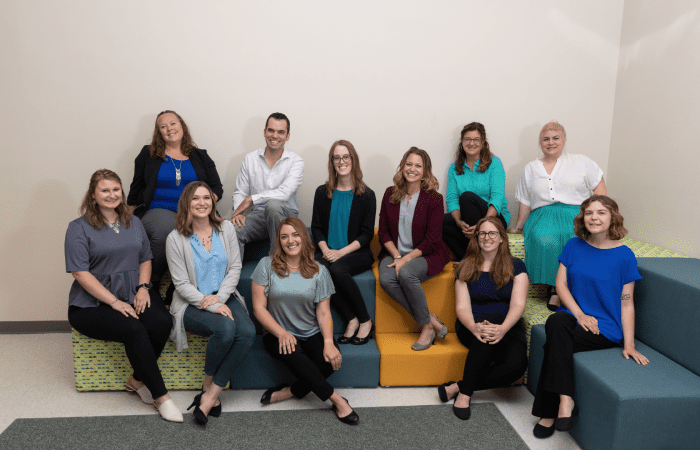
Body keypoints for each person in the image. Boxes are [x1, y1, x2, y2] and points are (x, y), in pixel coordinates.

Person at [65, 169, 182, 422]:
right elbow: (80, 273)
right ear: (93, 195)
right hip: (91, 304)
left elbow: (146, 258)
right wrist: (115, 302)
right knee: (135, 329)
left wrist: (142, 288)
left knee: (162, 322)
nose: (111, 195)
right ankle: (161, 397)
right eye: (104, 190)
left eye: (115, 189)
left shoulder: (134, 221)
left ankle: (136, 381)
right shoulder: (78, 228)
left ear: (122, 192)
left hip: (133, 292)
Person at [531, 195, 649, 439]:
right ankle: (566, 399)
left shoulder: (625, 255)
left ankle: (548, 413)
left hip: (604, 329)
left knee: (555, 338)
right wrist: (580, 314)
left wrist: (629, 344)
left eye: (601, 212)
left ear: (612, 217)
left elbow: (627, 303)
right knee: (556, 322)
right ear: (582, 218)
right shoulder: (573, 246)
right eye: (589, 213)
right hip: (575, 318)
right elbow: (560, 286)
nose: (594, 217)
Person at [251, 217, 359, 425]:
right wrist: (281, 333)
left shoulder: (319, 271)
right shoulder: (266, 265)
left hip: (311, 332)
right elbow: (258, 308)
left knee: (330, 361)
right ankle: (337, 400)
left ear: (303, 237)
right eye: (284, 237)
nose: (290, 240)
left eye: (295, 234)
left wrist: (328, 342)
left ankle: (290, 392)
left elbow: (324, 312)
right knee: (296, 354)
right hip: (277, 333)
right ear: (279, 241)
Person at [165, 181, 255, 424]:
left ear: (213, 202)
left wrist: (221, 298)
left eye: (206, 197)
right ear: (187, 203)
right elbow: (181, 284)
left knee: (247, 332)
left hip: (224, 294)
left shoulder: (226, 229)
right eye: (195, 198)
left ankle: (210, 392)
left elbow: (235, 267)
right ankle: (209, 391)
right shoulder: (175, 238)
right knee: (225, 328)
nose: (202, 202)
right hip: (191, 303)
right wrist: (213, 305)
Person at [508, 121, 606, 311]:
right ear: (540, 142)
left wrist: (599, 217)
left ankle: (575, 289)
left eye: (555, 138)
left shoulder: (581, 162)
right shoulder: (530, 168)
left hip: (577, 212)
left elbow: (600, 191)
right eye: (546, 139)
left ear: (564, 139)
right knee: (545, 238)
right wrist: (519, 226)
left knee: (575, 237)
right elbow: (526, 201)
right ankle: (555, 289)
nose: (550, 142)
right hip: (543, 214)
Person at [438, 217, 528, 420]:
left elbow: (518, 304)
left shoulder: (517, 266)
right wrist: (474, 327)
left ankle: (456, 387)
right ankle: (464, 395)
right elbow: (462, 306)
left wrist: (503, 328)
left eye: (492, 233)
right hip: (472, 324)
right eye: (482, 233)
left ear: (502, 239)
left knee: (517, 365)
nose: (487, 238)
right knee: (484, 338)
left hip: (509, 326)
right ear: (477, 238)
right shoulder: (466, 266)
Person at [127, 110, 224, 291]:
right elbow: (136, 189)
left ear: (182, 126)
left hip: (194, 211)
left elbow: (217, 189)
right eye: (163, 126)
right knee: (167, 233)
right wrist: (127, 219)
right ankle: (152, 283)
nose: (169, 129)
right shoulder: (148, 154)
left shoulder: (200, 155)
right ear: (158, 132)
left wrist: (201, 206)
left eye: (173, 123)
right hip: (158, 208)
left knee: (218, 235)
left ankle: (193, 288)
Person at [377, 147, 451, 351]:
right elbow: (383, 232)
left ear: (425, 171)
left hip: (426, 253)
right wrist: (397, 255)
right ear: (402, 167)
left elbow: (432, 239)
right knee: (386, 279)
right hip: (394, 251)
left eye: (418, 165)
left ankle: (425, 328)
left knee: (407, 273)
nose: (412, 169)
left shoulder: (434, 199)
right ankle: (430, 320)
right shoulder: (389, 194)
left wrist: (406, 260)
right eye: (409, 164)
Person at [311, 140, 376, 345]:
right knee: (318, 269)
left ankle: (365, 321)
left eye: (345, 157)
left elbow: (366, 235)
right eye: (336, 158)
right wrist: (326, 249)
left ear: (353, 159)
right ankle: (351, 319)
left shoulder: (367, 195)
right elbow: (316, 227)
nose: (341, 161)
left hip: (357, 253)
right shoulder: (322, 192)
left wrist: (340, 253)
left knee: (337, 270)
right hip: (327, 250)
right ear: (332, 162)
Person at [230, 112, 304, 259]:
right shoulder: (250, 159)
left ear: (287, 136)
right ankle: (233, 277)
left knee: (273, 205)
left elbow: (284, 193)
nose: (275, 136)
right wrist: (239, 212)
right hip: (259, 216)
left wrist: (251, 199)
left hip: (286, 215)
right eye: (271, 130)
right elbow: (240, 191)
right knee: (231, 229)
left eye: (280, 132)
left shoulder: (296, 161)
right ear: (265, 132)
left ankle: (276, 261)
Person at [442, 123, 510, 261]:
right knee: (439, 221)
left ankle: (478, 258)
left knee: (467, 197)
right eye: (467, 139)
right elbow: (452, 199)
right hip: (467, 219)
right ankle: (469, 259)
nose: (471, 143)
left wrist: (481, 225)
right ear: (462, 142)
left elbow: (497, 198)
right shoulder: (454, 168)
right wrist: (459, 221)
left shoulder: (494, 163)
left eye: (476, 139)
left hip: (494, 217)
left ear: (483, 142)